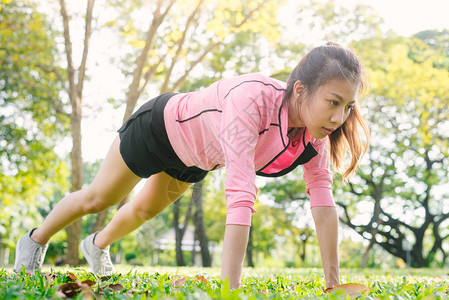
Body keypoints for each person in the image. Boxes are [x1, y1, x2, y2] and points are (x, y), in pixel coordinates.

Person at [14, 42, 369, 290]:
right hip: (158, 129)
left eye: (349, 106)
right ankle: (33, 242)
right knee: (99, 198)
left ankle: (97, 246)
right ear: (301, 90)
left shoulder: (315, 134)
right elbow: (241, 195)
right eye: (333, 102)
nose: (340, 118)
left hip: (195, 159)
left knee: (142, 211)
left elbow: (322, 204)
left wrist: (333, 283)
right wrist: (231, 291)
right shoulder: (251, 99)